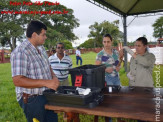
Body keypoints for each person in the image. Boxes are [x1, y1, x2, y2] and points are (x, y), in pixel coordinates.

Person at [10, 20, 59, 122]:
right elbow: (18, 80)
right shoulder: (21, 52)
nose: (45, 37)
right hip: (32, 99)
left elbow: (48, 66)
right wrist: (46, 82)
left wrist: (54, 77)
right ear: (34, 35)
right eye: (43, 35)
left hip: (47, 95)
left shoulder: (41, 49)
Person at [95, 34, 122, 122]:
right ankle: (109, 119)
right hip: (107, 79)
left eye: (108, 42)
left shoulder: (115, 52)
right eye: (104, 42)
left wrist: (119, 66)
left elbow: (117, 63)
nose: (106, 44)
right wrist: (105, 69)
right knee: (109, 100)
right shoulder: (100, 54)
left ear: (111, 42)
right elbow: (97, 69)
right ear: (103, 42)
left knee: (118, 99)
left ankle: (119, 118)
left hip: (116, 78)